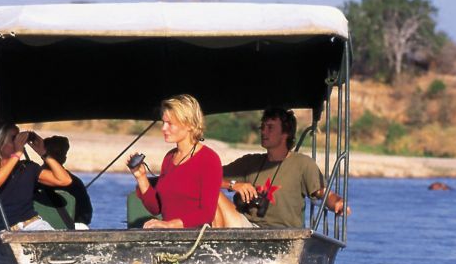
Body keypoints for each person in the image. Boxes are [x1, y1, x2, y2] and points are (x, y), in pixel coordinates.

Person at [212, 108, 350, 228]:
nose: (263, 132)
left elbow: (325, 194)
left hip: (284, 235)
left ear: (285, 134)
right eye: (262, 127)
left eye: (270, 127)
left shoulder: (302, 164)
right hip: (246, 229)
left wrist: (338, 203)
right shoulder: (250, 162)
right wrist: (233, 185)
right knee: (212, 193)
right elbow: (207, 177)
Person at [128, 94, 222, 229]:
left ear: (189, 125)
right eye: (163, 122)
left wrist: (169, 225)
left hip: (194, 238)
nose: (163, 128)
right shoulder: (169, 158)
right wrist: (141, 177)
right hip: (169, 235)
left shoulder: (209, 159)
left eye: (170, 123)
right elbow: (156, 208)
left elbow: (206, 214)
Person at [0, 124, 72, 235]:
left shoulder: (28, 167)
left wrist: (43, 153)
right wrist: (17, 154)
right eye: (13, 138)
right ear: (0, 142)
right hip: (7, 230)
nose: (18, 142)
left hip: (33, 224)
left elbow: (64, 180)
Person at [39, 135, 94, 229]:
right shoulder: (30, 178)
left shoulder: (75, 183)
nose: (56, 157)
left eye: (59, 153)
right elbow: (86, 216)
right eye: (53, 153)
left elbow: (85, 216)